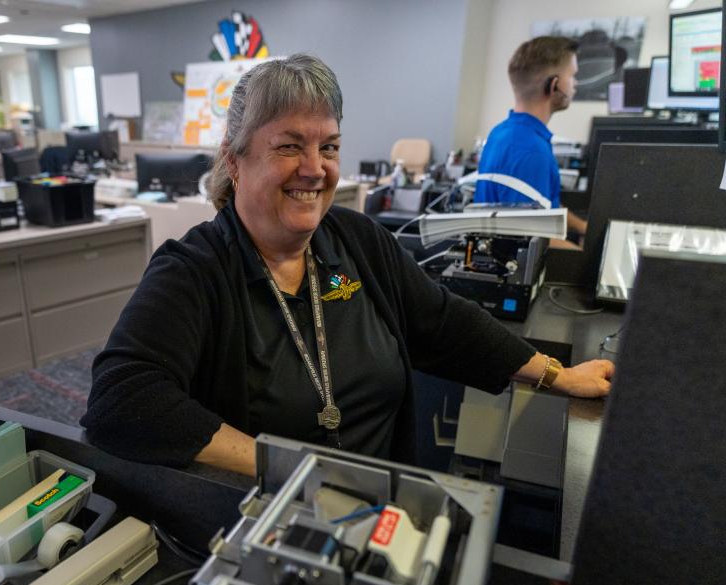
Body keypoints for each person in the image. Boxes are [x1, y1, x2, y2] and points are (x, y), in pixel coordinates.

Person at [82, 54, 613, 477]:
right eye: (290, 146)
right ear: (234, 159)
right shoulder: (193, 270)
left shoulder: (355, 241)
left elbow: (444, 323)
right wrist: (290, 472)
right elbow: (122, 400)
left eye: (329, 146)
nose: (314, 169)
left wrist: (558, 375)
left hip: (384, 513)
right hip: (267, 525)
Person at [474, 36, 588, 244]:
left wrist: (583, 227)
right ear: (554, 85)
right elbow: (532, 238)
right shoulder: (531, 150)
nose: (575, 84)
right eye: (572, 76)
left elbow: (545, 209)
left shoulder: (502, 133)